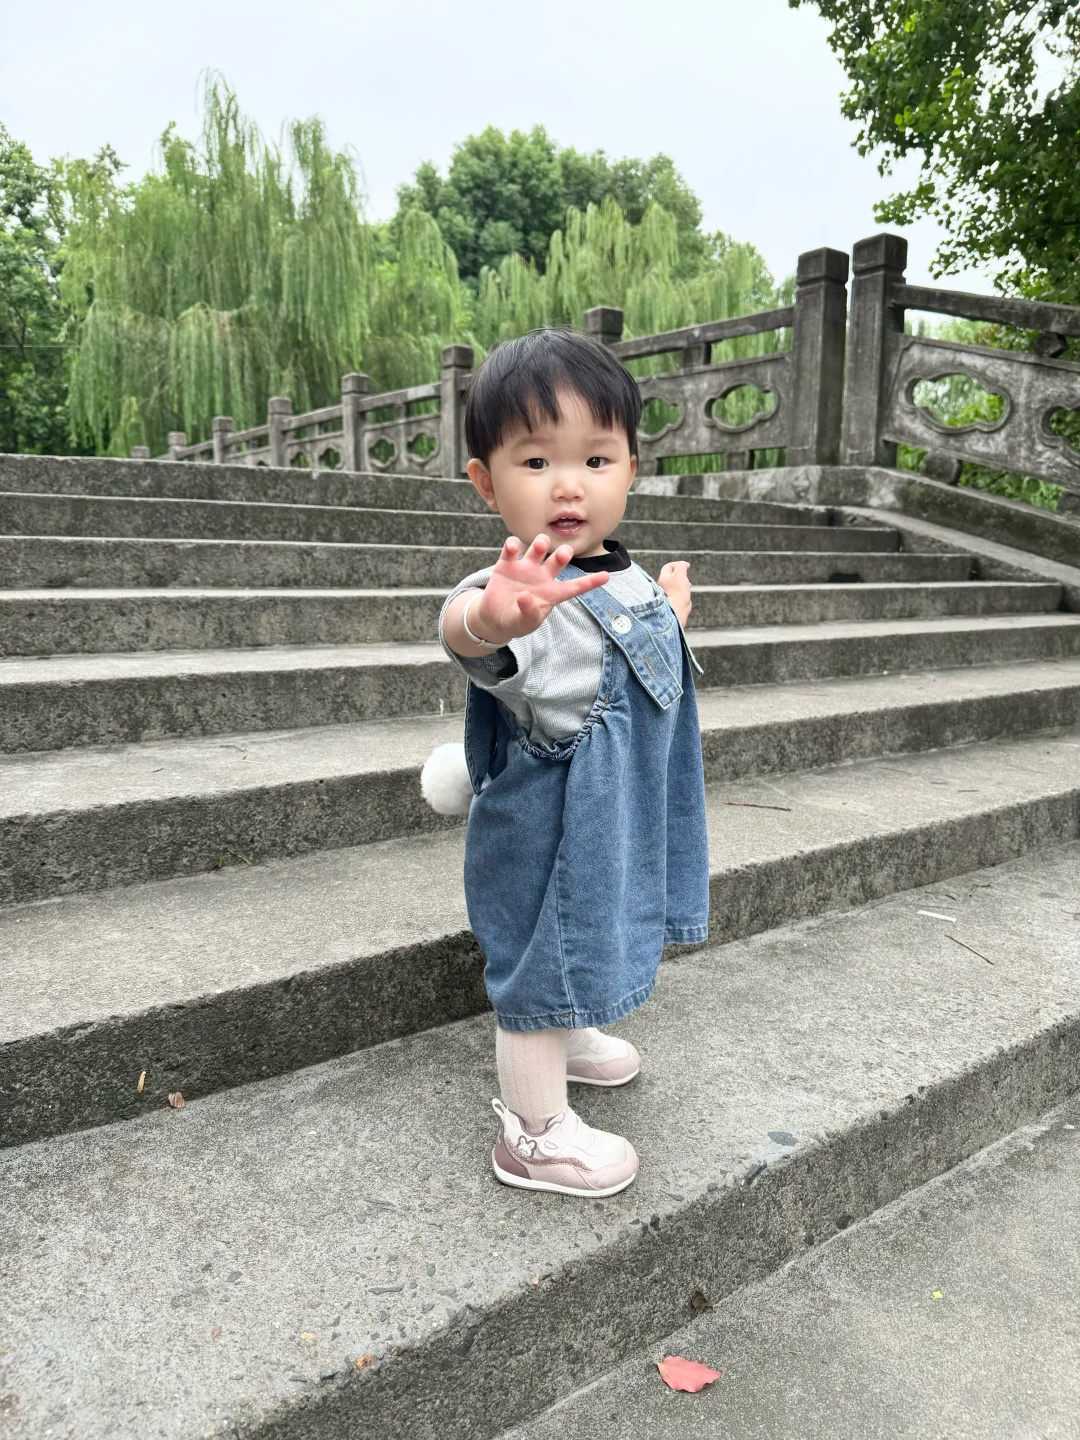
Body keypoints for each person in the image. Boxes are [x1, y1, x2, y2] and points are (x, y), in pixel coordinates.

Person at [437, 326, 710, 1198]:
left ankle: (575, 1029)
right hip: (552, 828)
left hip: (620, 812)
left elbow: (634, 650)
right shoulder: (519, 590)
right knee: (543, 958)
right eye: (535, 461)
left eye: (596, 459)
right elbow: (465, 630)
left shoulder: (619, 575)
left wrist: (668, 611)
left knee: (594, 931)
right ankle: (533, 1132)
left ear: (631, 468)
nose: (568, 484)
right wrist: (490, 620)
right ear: (486, 482)